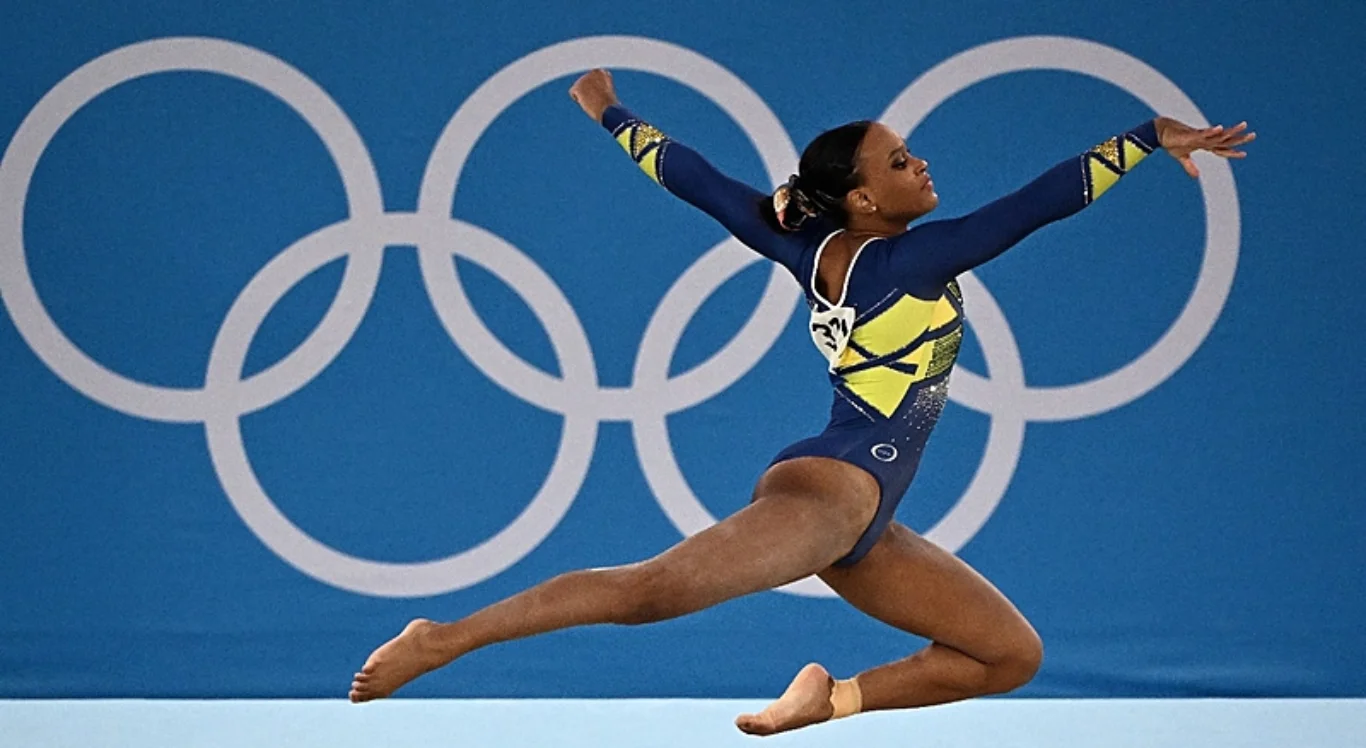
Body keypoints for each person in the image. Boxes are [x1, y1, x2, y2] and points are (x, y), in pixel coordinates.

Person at [349, 68, 1254, 735]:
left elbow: (697, 180)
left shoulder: (807, 244)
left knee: (1009, 657)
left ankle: (834, 697)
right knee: (651, 593)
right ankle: (443, 638)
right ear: (864, 198)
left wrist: (609, 110)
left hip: (867, 516)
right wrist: (1142, 138)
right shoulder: (909, 260)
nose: (921, 163)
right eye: (900, 161)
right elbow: (1032, 206)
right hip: (829, 491)